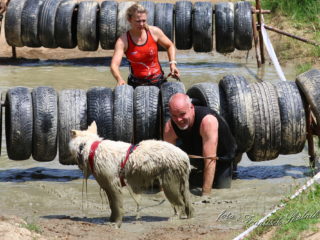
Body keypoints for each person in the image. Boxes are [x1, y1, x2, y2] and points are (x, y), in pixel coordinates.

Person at [163, 93, 237, 195]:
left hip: (221, 158)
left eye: (182, 114)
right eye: (174, 116)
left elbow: (210, 159)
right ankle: (194, 174)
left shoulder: (207, 121)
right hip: (196, 153)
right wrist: (165, 191)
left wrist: (205, 194)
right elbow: (167, 162)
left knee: (221, 188)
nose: (179, 120)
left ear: (191, 107)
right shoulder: (170, 127)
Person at [110, 3, 180, 88]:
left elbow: (170, 45)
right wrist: (119, 79)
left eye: (144, 20)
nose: (142, 24)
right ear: (129, 19)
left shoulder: (154, 32)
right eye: (138, 21)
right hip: (135, 84)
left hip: (158, 81)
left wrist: (172, 64)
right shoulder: (123, 41)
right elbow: (114, 66)